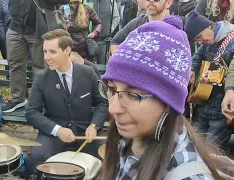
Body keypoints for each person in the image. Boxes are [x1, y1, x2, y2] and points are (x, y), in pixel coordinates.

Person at [100, 16, 225, 180]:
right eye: (111, 89)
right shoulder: (130, 140)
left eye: (132, 95)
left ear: (168, 102)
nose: (113, 108)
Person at [25, 29, 108, 178]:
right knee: (33, 159)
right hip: (54, 135)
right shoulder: (41, 77)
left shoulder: (88, 73)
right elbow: (32, 112)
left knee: (112, 154)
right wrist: (57, 130)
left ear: (67, 50)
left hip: (86, 132)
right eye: (45, 52)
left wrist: (94, 125)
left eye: (52, 52)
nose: (47, 57)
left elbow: (103, 103)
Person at [1, 0, 69, 113]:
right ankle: (17, 99)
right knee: (14, 65)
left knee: (40, 67)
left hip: (38, 26)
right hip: (15, 26)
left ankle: (37, 101)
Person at [185, 11, 234, 146]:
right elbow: (197, 56)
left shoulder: (232, 40)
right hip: (204, 104)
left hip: (222, 110)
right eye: (197, 40)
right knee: (196, 145)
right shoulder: (207, 42)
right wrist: (193, 69)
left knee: (211, 151)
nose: (201, 42)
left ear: (208, 26)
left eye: (200, 37)